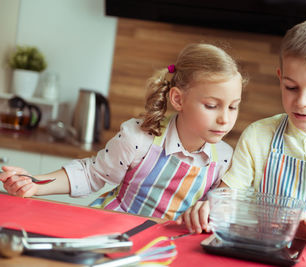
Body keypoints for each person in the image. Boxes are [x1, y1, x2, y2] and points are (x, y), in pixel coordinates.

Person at [177, 19, 306, 251]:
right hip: (259, 254)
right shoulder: (259, 136)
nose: (302, 102)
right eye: (291, 87)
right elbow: (226, 202)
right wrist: (210, 208)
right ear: (280, 78)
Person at [0, 43, 245, 220]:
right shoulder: (139, 139)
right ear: (178, 99)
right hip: (110, 233)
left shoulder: (224, 159)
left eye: (233, 107)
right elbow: (90, 174)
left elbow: (216, 215)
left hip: (164, 251)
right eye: (212, 106)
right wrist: (36, 184)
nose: (225, 118)